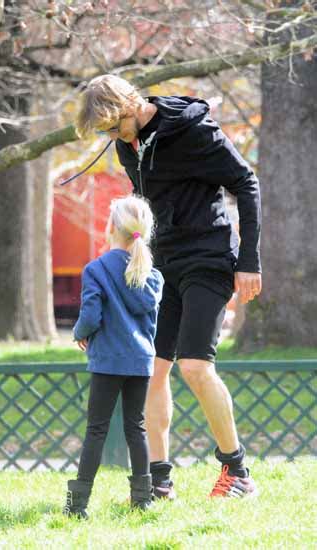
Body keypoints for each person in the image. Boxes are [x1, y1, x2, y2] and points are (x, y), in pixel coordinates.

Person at [75, 74, 262, 499]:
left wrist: (249, 261)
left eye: (111, 126)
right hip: (163, 266)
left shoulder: (193, 131)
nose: (111, 137)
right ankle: (160, 480)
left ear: (128, 106)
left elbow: (246, 183)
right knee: (151, 371)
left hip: (209, 257)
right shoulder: (128, 144)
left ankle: (237, 473)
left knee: (195, 366)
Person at [63, 195, 164, 519]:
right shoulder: (154, 276)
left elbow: (91, 316)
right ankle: (142, 499)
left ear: (111, 228)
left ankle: (78, 505)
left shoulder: (96, 269)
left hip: (108, 360)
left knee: (97, 430)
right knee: (137, 428)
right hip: (140, 361)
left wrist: (79, 333)